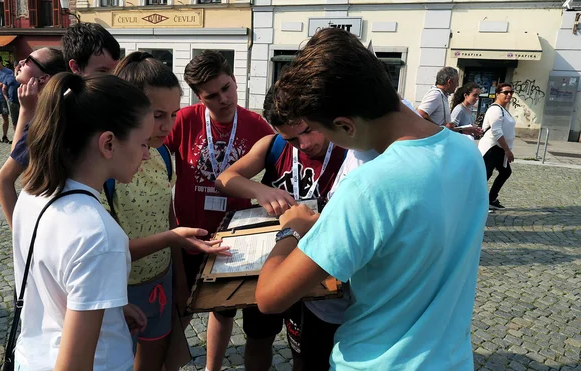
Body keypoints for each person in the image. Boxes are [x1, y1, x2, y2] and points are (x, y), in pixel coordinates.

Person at [256, 28, 488, 370]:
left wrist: (290, 231)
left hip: (375, 361)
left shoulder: (369, 185)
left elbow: (270, 297)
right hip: (450, 359)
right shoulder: (467, 153)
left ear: (346, 126)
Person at [12, 72, 152, 371]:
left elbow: (54, 281)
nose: (147, 155)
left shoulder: (31, 193)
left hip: (31, 357)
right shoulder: (99, 234)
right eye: (143, 143)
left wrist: (109, 305)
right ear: (109, 144)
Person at [108, 51, 228, 371]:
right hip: (115, 290)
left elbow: (166, 213)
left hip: (160, 278)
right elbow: (101, 250)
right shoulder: (106, 165)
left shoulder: (161, 152)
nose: (168, 125)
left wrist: (178, 280)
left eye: (174, 114)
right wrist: (173, 237)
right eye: (158, 114)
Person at [215, 85, 347, 371]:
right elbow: (224, 179)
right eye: (293, 138)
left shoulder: (347, 150)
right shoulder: (273, 145)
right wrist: (258, 189)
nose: (305, 143)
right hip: (273, 258)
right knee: (258, 338)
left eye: (309, 130)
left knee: (307, 351)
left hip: (318, 267)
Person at [164, 50, 274, 371]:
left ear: (234, 80)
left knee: (222, 310)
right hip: (189, 235)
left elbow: (280, 166)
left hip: (232, 238)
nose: (223, 98)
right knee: (180, 310)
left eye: (227, 88)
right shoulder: (185, 120)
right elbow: (153, 155)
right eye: (212, 95)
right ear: (198, 97)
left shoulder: (256, 125)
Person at [0, 47, 67, 228]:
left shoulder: (48, 118)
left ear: (43, 79)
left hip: (50, 214)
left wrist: (18, 236)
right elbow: (19, 154)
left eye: (28, 61)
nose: (20, 63)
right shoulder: (59, 106)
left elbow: (4, 180)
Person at [478, 82, 516, 210]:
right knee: (485, 175)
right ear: (497, 94)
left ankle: (491, 198)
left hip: (499, 148)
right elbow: (497, 131)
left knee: (505, 172)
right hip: (492, 148)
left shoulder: (504, 110)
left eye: (511, 92)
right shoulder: (495, 109)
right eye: (506, 92)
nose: (509, 95)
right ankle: (476, 202)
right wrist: (507, 150)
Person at [2, 62, 21, 128]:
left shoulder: (24, 77)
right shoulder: (8, 77)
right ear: (15, 66)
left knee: (22, 120)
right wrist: (7, 99)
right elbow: (4, 89)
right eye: (19, 66)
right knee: (14, 120)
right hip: (11, 102)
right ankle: (16, 136)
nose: (21, 68)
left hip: (22, 102)